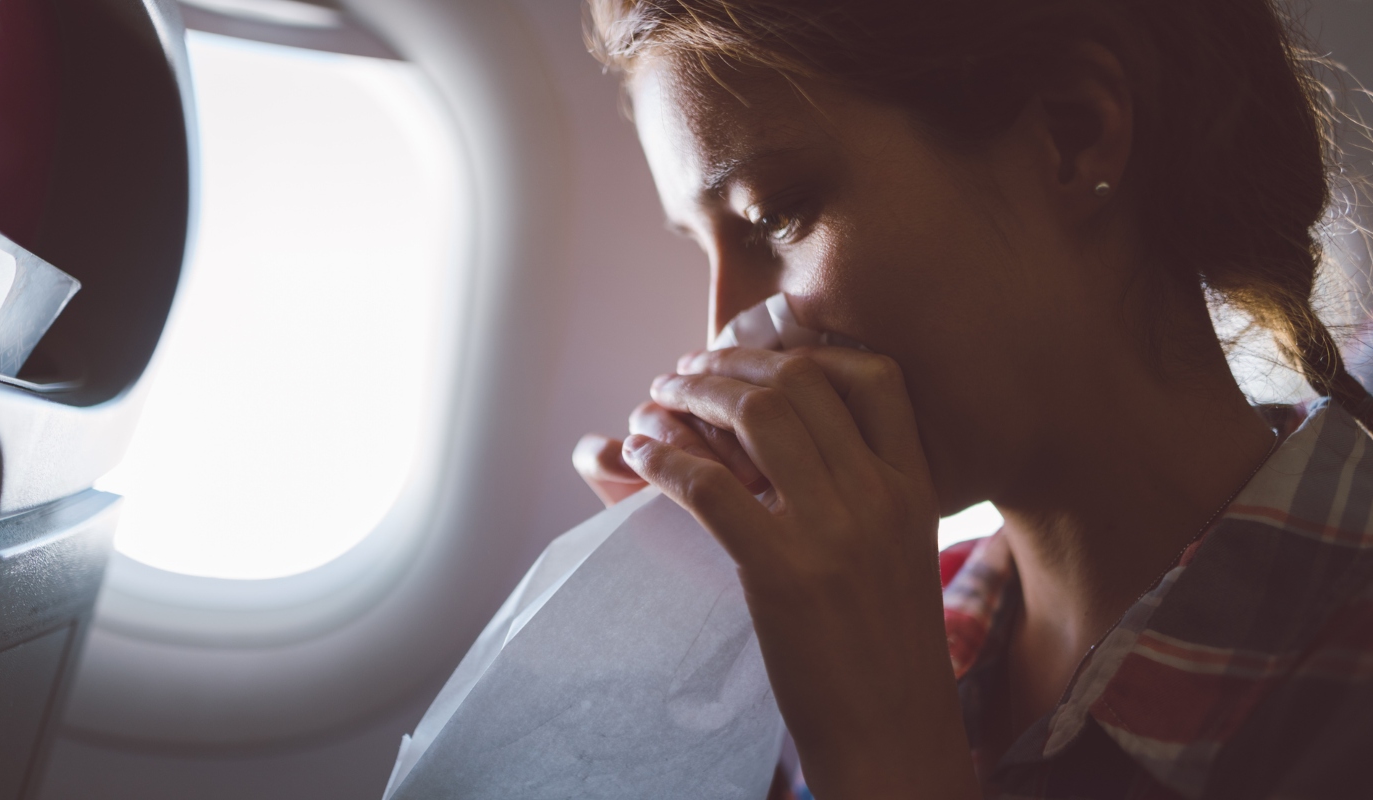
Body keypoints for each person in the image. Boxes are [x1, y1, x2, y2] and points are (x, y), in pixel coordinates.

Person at [569, 1, 1373, 797]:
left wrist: (887, 762)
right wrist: (704, 678)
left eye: (775, 216)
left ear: (1069, 134)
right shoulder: (886, 619)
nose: (721, 335)